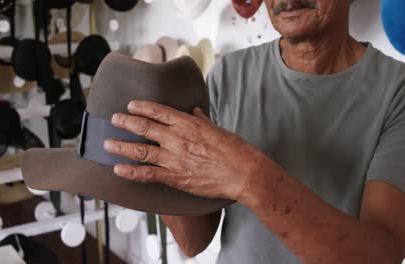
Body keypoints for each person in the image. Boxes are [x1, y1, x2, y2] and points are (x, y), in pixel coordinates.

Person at [103, 0, 405, 263]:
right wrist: (157, 163)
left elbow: (381, 255)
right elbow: (194, 241)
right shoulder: (229, 74)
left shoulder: (396, 91)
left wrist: (248, 177)